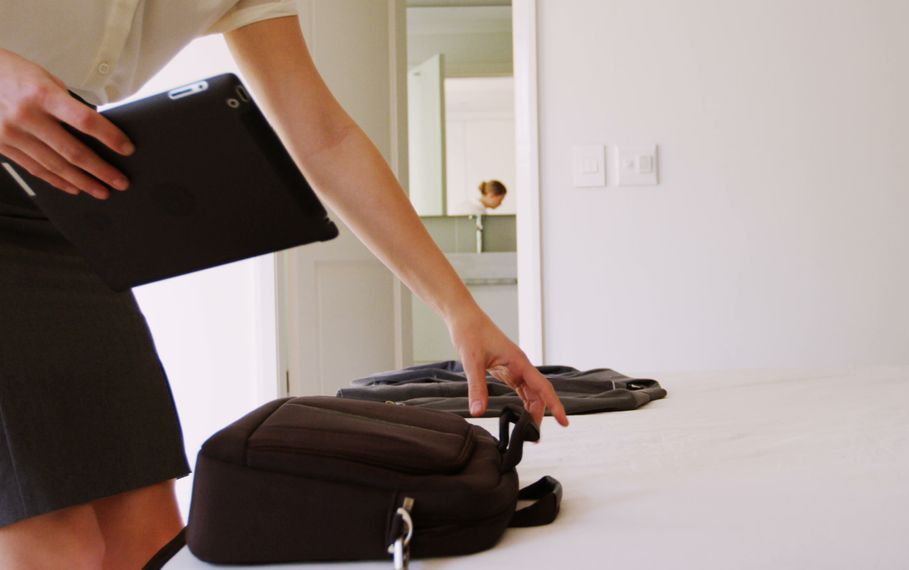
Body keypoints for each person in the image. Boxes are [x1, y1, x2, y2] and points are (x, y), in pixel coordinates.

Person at [0, 1, 568, 567]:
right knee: (53, 542)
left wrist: (458, 308)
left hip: (66, 202)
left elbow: (324, 137)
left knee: (150, 535)